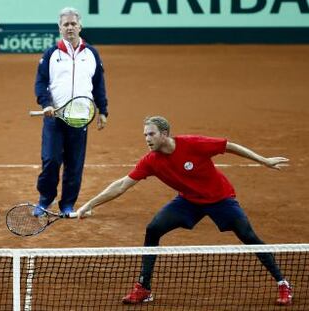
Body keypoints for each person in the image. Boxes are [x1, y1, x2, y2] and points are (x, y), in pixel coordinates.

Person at [77, 116, 293, 306]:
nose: (147, 139)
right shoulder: (151, 161)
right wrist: (90, 204)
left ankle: (282, 283)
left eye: (151, 134)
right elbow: (122, 185)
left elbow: (229, 146)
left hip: (220, 199)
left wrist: (263, 160)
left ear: (164, 134)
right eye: (145, 135)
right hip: (189, 202)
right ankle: (144, 287)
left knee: (248, 236)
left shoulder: (192, 143)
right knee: (153, 229)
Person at [33, 7, 108, 216]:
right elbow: (40, 82)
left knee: (74, 165)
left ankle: (67, 204)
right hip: (54, 117)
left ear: (80, 26)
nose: (70, 28)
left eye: (73, 23)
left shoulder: (92, 53)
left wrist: (103, 110)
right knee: (51, 161)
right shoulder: (51, 54)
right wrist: (45, 103)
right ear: (59, 28)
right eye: (65, 24)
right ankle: (45, 200)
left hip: (80, 118)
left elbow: (98, 83)